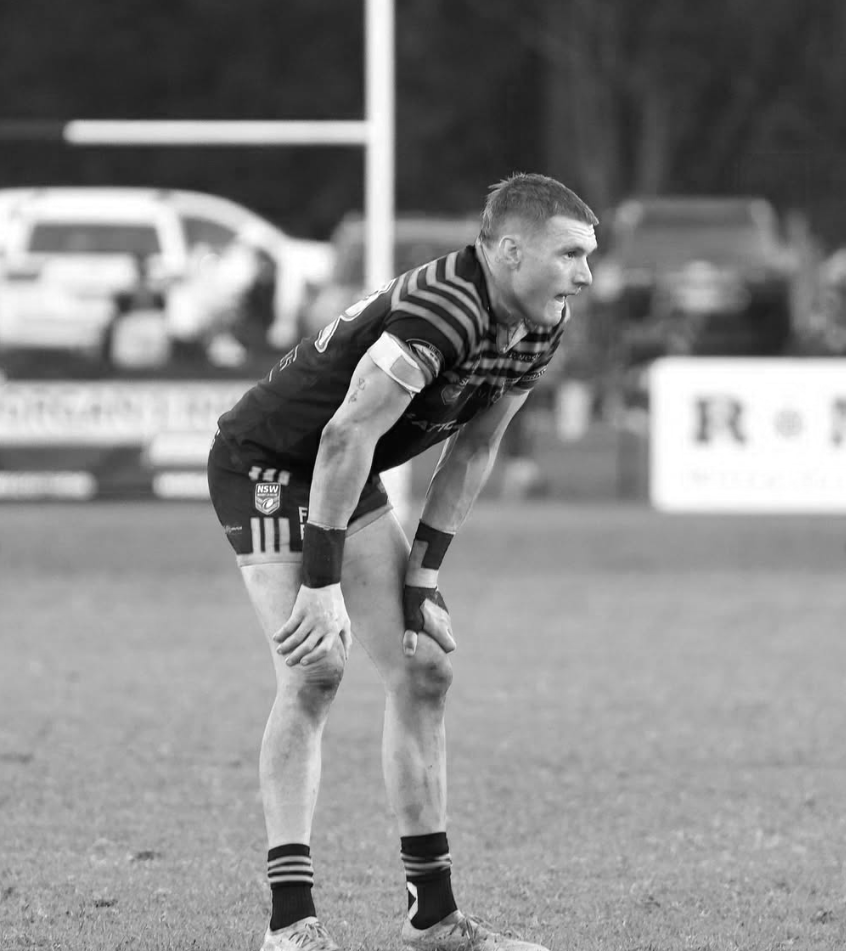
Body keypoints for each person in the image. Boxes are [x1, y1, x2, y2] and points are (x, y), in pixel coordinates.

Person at [207, 172, 598, 951]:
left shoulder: (535, 321)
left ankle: (435, 918)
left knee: (424, 668)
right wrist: (319, 585)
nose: (585, 275)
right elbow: (344, 435)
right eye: (571, 254)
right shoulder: (440, 312)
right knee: (315, 669)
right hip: (268, 463)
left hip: (342, 477)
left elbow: (475, 447)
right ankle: (291, 927)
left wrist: (423, 576)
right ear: (511, 250)